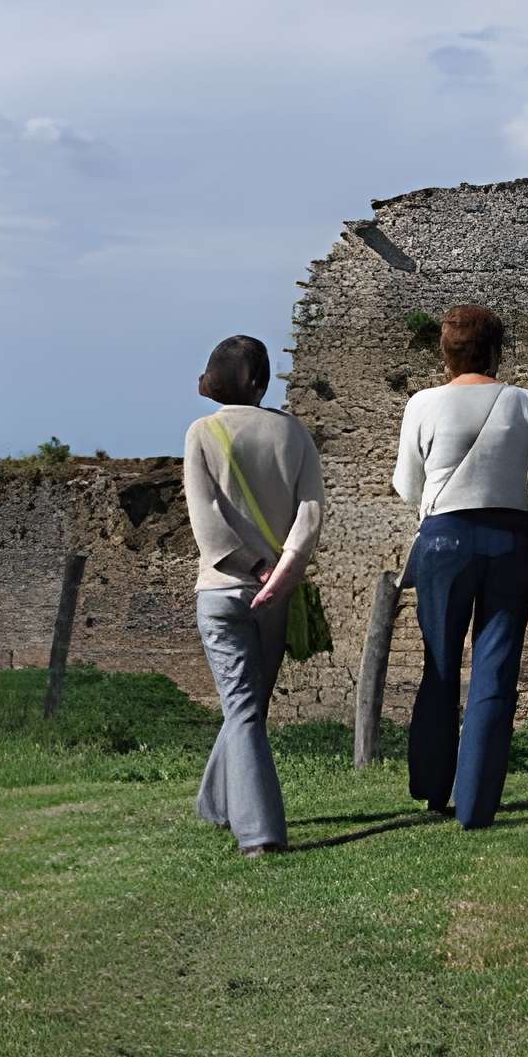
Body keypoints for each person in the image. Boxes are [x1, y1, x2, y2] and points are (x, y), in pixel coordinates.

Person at [393, 303, 528, 829]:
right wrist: (526, 510)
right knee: (495, 670)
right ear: (496, 351)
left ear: (444, 352)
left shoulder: (422, 404)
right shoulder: (524, 403)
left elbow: (406, 486)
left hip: (443, 539)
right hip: (508, 539)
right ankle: (476, 806)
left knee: (439, 664)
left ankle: (431, 787)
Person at [180, 333, 323, 856]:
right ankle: (216, 805)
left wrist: (253, 565)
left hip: (222, 588)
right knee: (250, 706)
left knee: (241, 708)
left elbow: (207, 523)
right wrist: (283, 568)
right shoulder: (294, 433)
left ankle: (260, 835)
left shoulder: (202, 432)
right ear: (261, 381)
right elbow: (310, 511)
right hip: (277, 592)